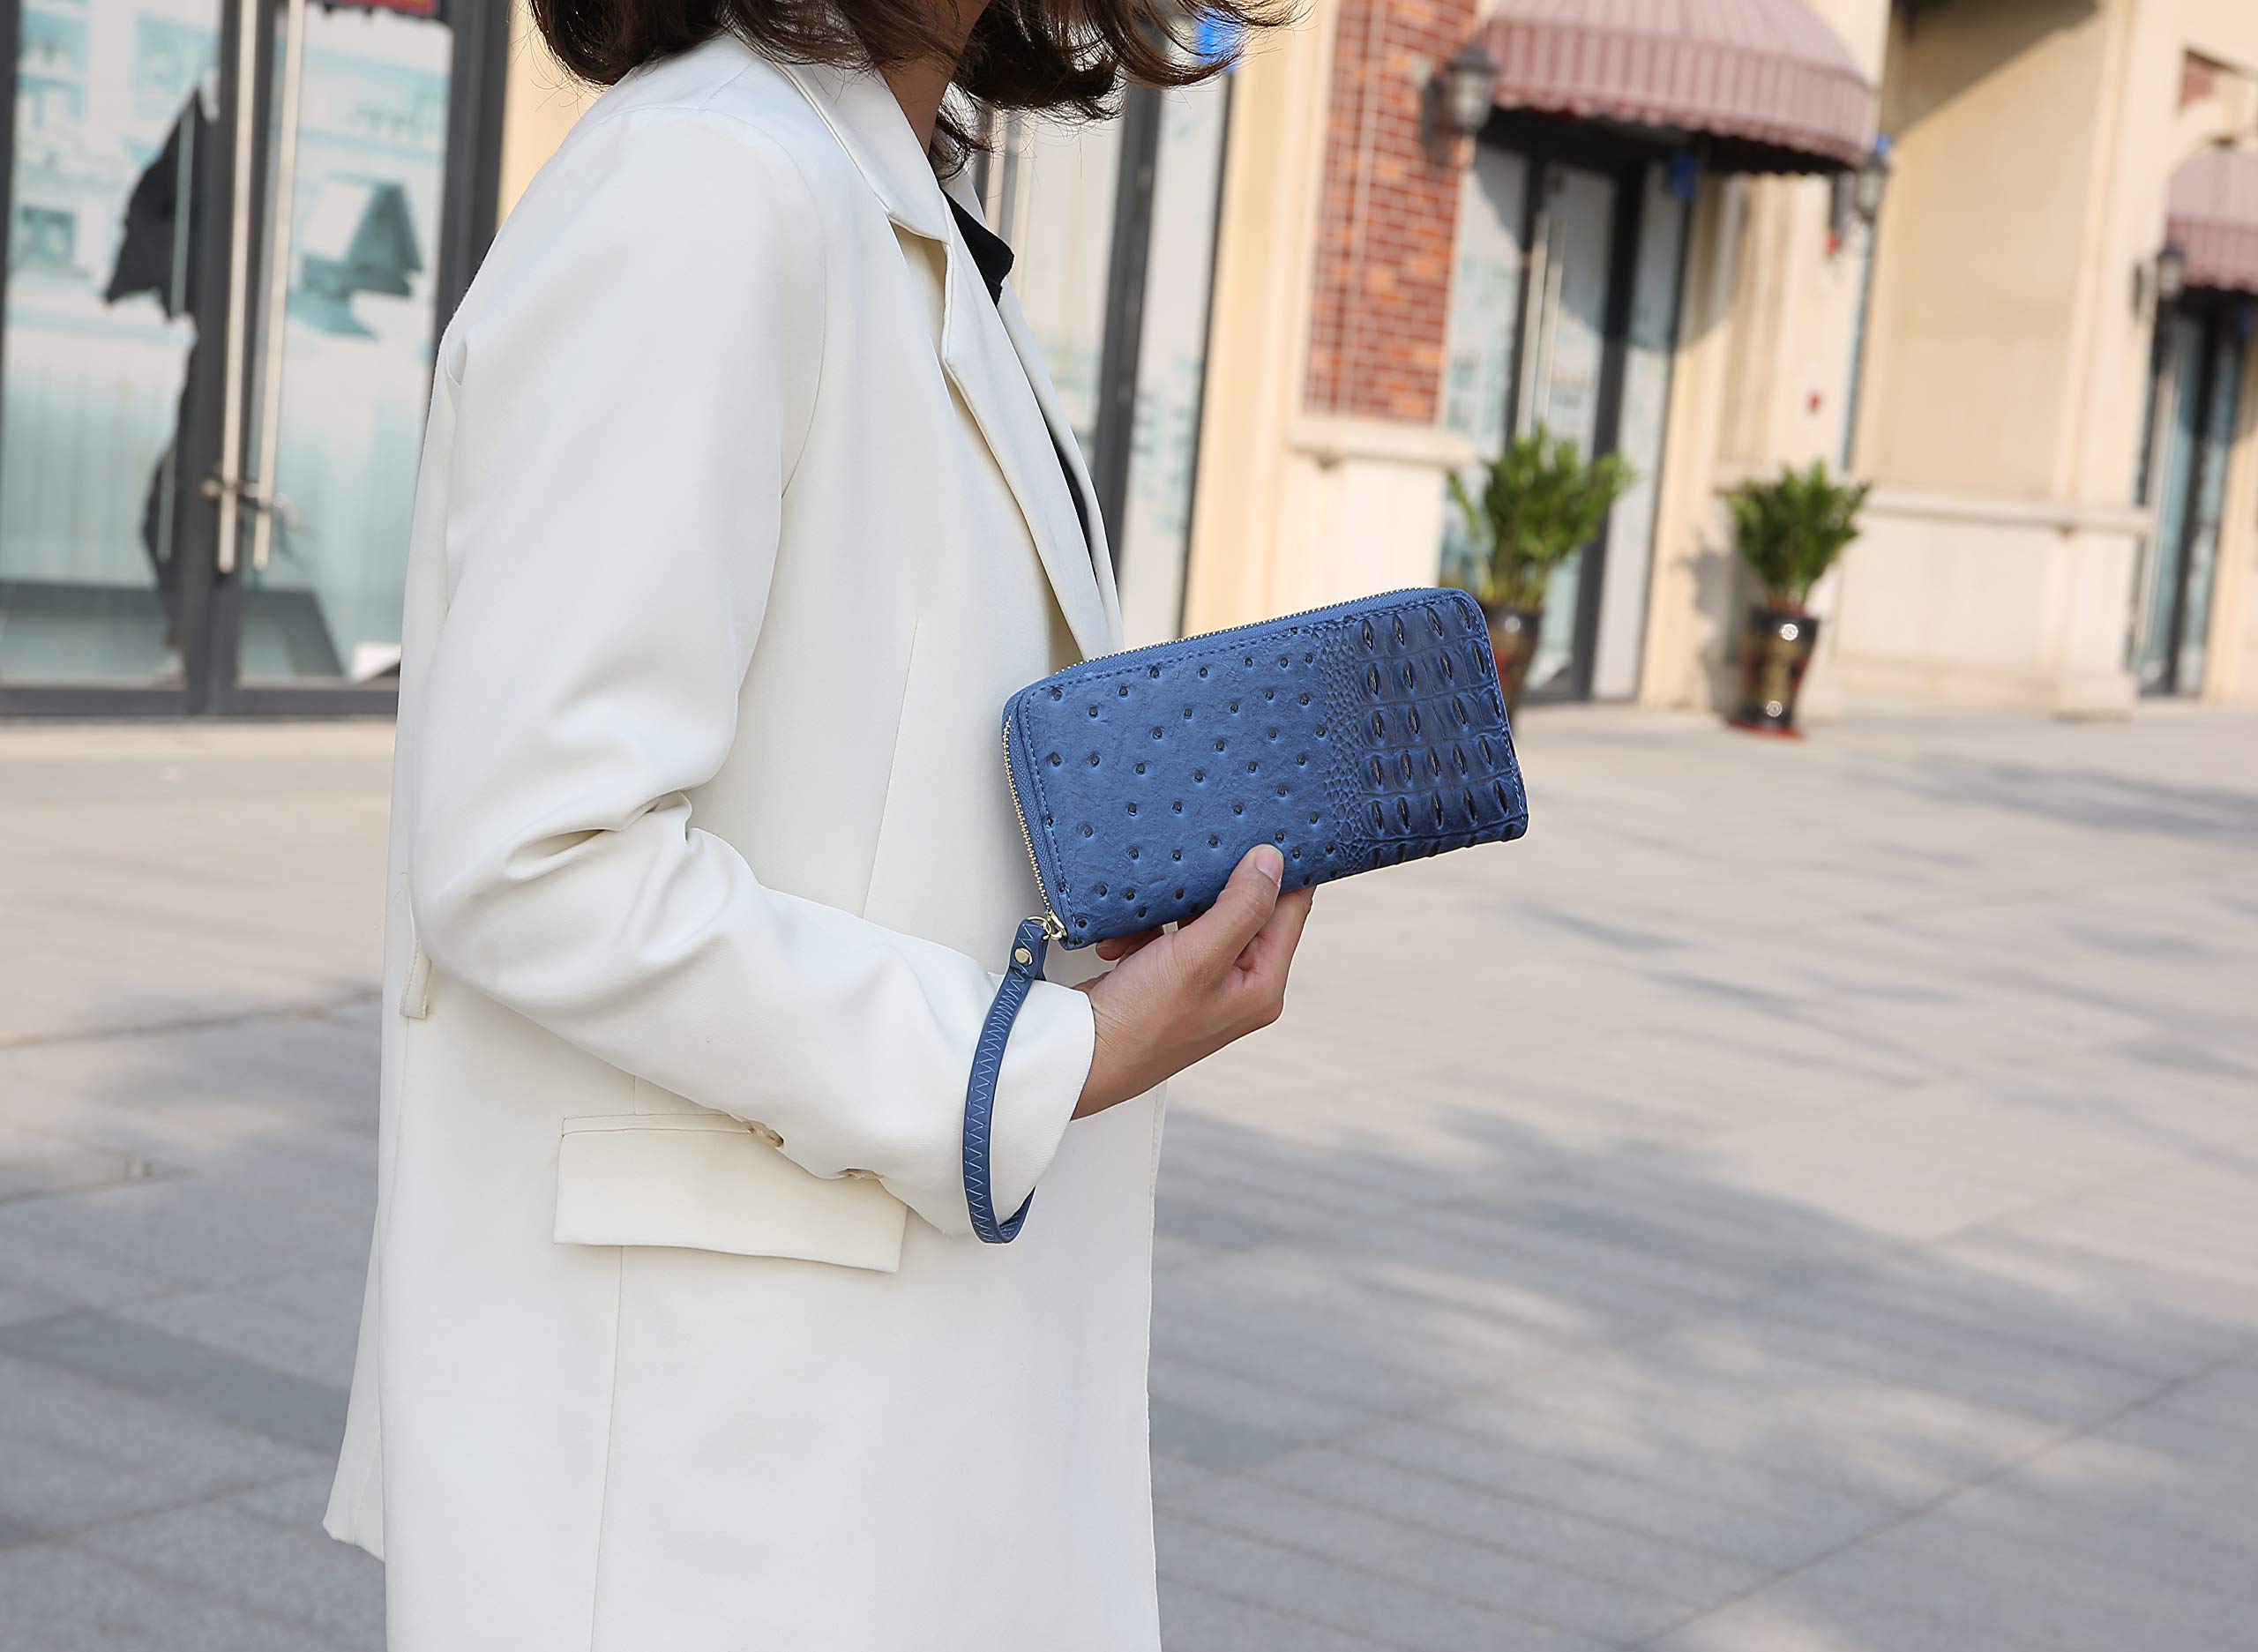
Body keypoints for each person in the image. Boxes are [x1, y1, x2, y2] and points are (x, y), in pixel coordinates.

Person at [323, 3, 1300, 1648]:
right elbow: (535, 856)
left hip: (831, 1439)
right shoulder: (713, 186)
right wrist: (1029, 1061)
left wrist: (1103, 920)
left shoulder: (868, 193)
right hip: (720, 1487)